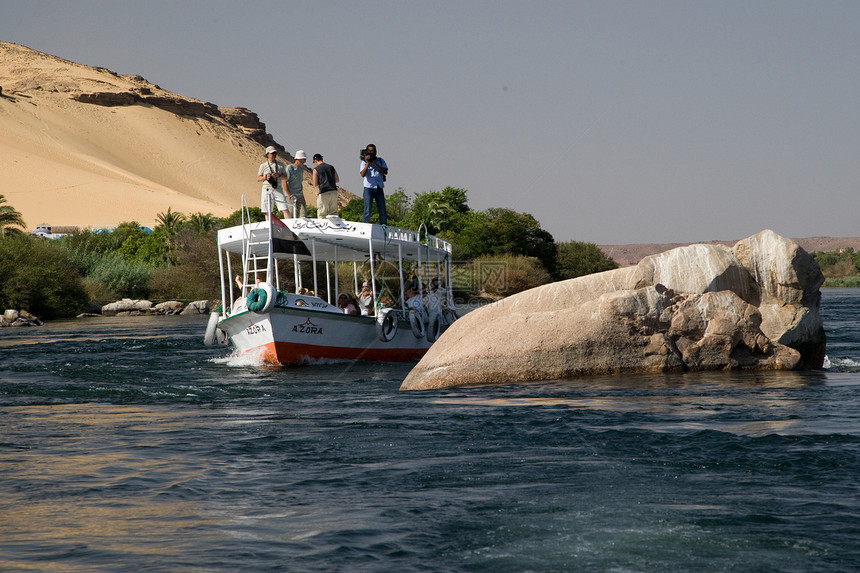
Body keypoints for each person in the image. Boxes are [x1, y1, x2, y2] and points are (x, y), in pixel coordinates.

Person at [359, 143, 389, 225]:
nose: (371, 153)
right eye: (370, 151)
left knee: (382, 210)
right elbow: (362, 174)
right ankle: (365, 226)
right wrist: (368, 163)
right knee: (367, 210)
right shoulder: (364, 162)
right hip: (369, 188)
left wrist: (375, 164)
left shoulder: (380, 160)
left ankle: (383, 226)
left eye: (373, 151)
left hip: (379, 187)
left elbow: (385, 171)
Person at [257, 146, 288, 218]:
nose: (274, 155)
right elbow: (258, 178)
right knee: (267, 211)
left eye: (275, 153)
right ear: (267, 154)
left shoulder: (280, 165)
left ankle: (288, 226)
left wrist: (279, 175)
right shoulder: (263, 165)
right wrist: (265, 177)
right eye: (272, 153)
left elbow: (285, 177)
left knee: (284, 208)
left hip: (278, 188)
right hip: (267, 189)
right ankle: (269, 226)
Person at [312, 153, 340, 218]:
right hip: (334, 191)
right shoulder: (331, 167)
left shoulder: (316, 169)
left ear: (315, 161)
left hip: (324, 192)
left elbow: (315, 184)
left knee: (322, 213)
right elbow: (337, 180)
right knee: (334, 213)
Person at [285, 150, 308, 218]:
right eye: (304, 159)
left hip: (300, 195)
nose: (305, 161)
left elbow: (300, 182)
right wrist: (289, 195)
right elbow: (284, 182)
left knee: (304, 216)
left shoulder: (301, 170)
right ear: (299, 159)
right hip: (291, 195)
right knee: (291, 216)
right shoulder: (290, 168)